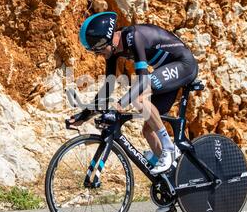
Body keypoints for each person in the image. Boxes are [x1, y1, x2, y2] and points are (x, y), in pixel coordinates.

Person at [70, 11, 198, 178]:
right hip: (167, 70)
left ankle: (169, 148)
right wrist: (84, 114)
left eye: (98, 50)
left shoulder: (134, 37)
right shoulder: (113, 50)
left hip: (184, 65)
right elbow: (107, 89)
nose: (98, 55)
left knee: (139, 99)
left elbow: (143, 81)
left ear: (106, 40)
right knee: (148, 130)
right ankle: (174, 179)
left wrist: (120, 104)